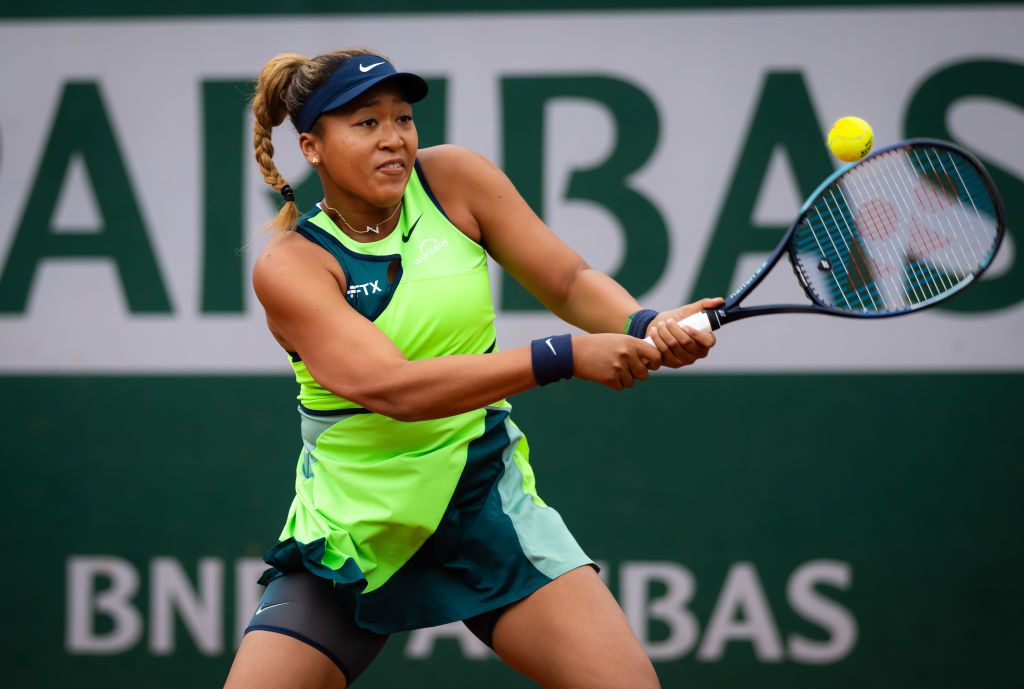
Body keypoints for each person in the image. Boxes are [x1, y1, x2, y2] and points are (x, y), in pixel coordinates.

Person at [224, 48, 722, 689]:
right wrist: (563, 356)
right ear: (312, 147)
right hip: (353, 528)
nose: (393, 140)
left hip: (484, 500)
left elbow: (568, 279)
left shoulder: (453, 179)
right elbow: (392, 388)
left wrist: (639, 322)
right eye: (365, 124)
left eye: (402, 119)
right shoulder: (291, 265)